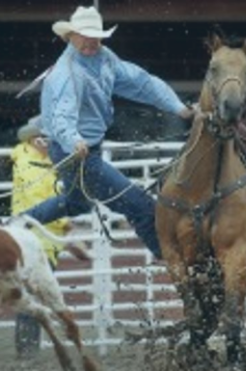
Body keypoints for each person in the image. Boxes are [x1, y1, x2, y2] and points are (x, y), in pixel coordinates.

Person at [24, 6, 195, 259]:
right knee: (140, 205)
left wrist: (178, 108)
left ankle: (20, 222)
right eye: (85, 35)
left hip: (80, 148)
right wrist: (74, 140)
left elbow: (141, 83)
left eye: (96, 36)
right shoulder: (67, 73)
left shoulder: (104, 58)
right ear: (70, 36)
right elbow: (63, 116)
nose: (92, 41)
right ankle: (175, 264)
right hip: (75, 151)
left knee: (76, 204)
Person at [11, 115, 90, 358]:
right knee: (35, 295)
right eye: (43, 138)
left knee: (35, 295)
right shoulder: (32, 165)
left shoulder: (39, 162)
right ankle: (27, 352)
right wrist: (69, 232)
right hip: (35, 240)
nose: (47, 142)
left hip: (41, 240)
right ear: (35, 140)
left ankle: (27, 350)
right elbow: (42, 202)